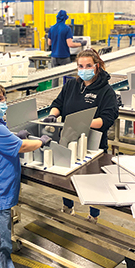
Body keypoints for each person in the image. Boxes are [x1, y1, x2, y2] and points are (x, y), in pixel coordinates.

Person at [0, 78, 51, 268]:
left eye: (1, 98)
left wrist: (14, 136)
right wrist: (41, 141)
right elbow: (22, 147)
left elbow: (3, 142)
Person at [43, 48, 119, 223]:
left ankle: (93, 215)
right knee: (66, 178)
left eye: (88, 65)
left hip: (93, 144)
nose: (84, 69)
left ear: (97, 66)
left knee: (93, 182)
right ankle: (67, 207)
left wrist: (82, 123)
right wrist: (53, 115)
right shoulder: (71, 85)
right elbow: (58, 103)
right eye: (80, 66)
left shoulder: (106, 91)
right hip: (68, 139)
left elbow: (107, 118)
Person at [48, 10, 87, 88]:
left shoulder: (52, 28)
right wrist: (81, 43)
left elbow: (49, 43)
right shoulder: (67, 28)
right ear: (65, 18)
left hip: (54, 57)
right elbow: (70, 44)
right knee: (67, 77)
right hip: (64, 57)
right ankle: (68, 93)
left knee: (54, 77)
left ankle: (54, 93)